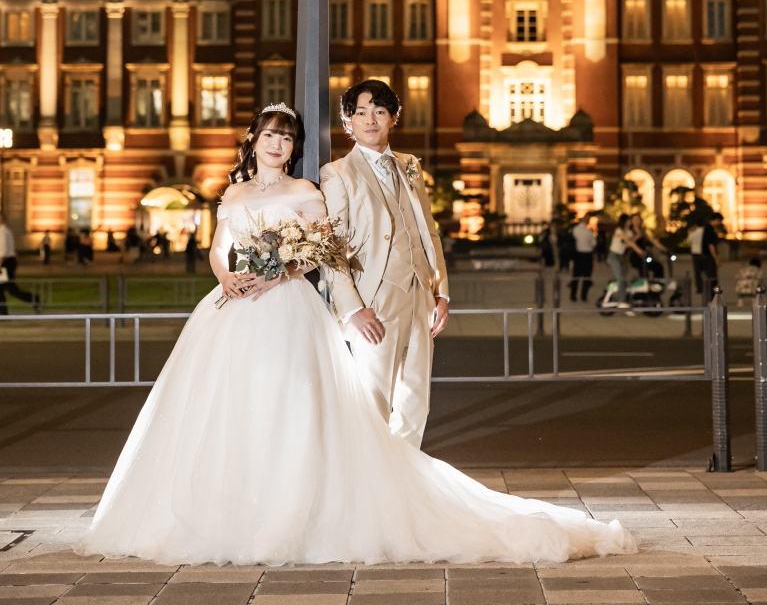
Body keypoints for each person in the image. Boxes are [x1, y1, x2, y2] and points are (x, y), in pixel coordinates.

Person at [76, 103, 636, 567]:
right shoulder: (236, 195)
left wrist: (282, 272)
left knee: (295, 404)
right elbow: (219, 247)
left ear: (294, 148)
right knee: (225, 406)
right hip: (232, 305)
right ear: (254, 141)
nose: (277, 145)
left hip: (286, 305)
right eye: (270, 136)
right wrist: (228, 276)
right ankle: (226, 506)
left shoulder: (308, 189)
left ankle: (298, 505)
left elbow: (324, 250)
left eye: (286, 138)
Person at [320, 80, 449, 448]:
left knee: (416, 402)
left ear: (393, 117)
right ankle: (368, 489)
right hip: (373, 302)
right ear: (348, 122)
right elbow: (331, 248)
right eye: (360, 112)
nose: (370, 120)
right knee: (373, 401)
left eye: (379, 111)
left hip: (421, 298)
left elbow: (429, 232)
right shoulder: (338, 174)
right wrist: (353, 309)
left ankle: (403, 486)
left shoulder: (409, 166)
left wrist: (442, 294)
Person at [0, 213, 39, 314]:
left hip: (5, 263)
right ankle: (34, 299)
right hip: (8, 262)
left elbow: (3, 252)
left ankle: (3, 314)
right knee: (11, 289)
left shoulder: (3, 232)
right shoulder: (5, 231)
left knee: (4, 289)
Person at [607, 213, 645, 306]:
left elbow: (629, 243)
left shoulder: (629, 232)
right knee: (620, 277)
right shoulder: (619, 230)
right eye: (628, 220)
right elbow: (628, 241)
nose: (630, 222)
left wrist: (637, 236)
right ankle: (619, 299)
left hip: (621, 256)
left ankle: (622, 296)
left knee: (624, 277)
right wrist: (639, 251)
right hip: (613, 256)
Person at [628, 213, 669, 278]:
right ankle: (644, 283)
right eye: (635, 220)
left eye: (638, 219)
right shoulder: (630, 231)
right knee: (643, 270)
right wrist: (636, 237)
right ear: (631, 221)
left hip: (644, 255)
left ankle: (657, 285)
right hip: (636, 256)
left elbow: (653, 241)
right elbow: (629, 244)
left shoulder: (643, 231)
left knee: (658, 267)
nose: (637, 221)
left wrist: (665, 249)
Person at [569, 213, 596, 302]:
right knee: (587, 276)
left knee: (576, 275)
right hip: (587, 255)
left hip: (577, 254)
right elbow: (593, 244)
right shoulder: (589, 231)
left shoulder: (575, 229)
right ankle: (583, 296)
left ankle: (573, 295)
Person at [701, 212, 724, 296]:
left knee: (711, 277)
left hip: (706, 256)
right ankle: (712, 296)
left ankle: (712, 296)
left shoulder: (707, 228)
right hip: (709, 257)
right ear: (717, 220)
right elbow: (711, 245)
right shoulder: (709, 229)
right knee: (712, 278)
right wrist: (716, 258)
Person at [688, 218, 705, 294]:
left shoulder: (694, 233)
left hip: (695, 254)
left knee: (697, 272)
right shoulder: (705, 232)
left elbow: (688, 241)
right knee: (706, 271)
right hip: (704, 253)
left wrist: (689, 231)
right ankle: (707, 286)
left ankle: (699, 288)